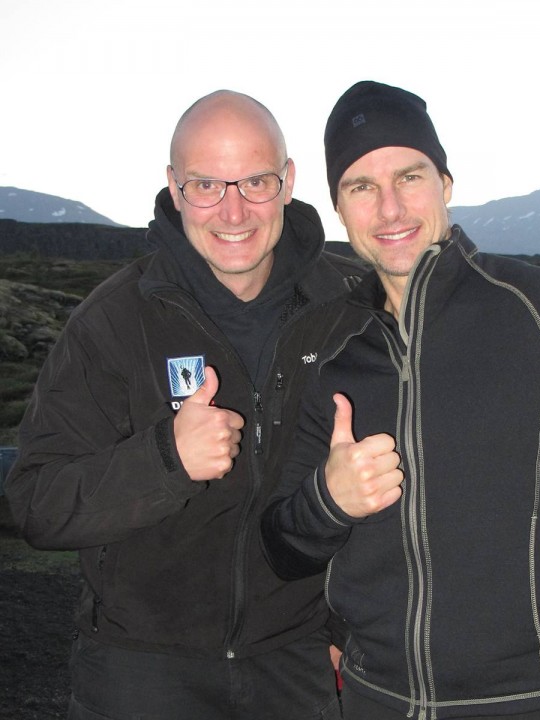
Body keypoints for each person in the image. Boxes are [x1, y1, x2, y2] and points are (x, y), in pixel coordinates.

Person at [260, 80, 540, 719]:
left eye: (410, 176)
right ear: (339, 206)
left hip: (526, 701)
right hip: (372, 699)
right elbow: (281, 545)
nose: (390, 208)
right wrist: (327, 500)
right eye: (361, 186)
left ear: (445, 183)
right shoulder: (331, 346)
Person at [5, 89, 361, 720]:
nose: (232, 210)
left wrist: (342, 625)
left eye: (255, 181)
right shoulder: (113, 323)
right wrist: (166, 460)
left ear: (288, 181)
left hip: (298, 666)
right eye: (205, 184)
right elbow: (37, 502)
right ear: (174, 187)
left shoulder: (348, 313)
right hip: (140, 672)